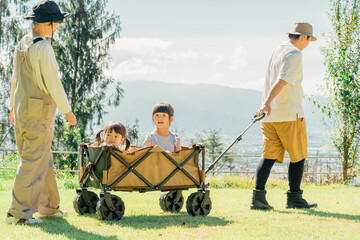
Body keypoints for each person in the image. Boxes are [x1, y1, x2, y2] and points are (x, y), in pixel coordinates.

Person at [6, 0, 77, 224]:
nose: (58, 27)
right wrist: (67, 111)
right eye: (57, 23)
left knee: (42, 160)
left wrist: (12, 107)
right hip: (39, 112)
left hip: (23, 110)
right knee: (32, 161)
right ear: (48, 23)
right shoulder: (43, 46)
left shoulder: (23, 43)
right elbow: (53, 83)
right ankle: (18, 214)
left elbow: (15, 80)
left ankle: (47, 207)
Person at [251, 22, 318, 210]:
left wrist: (266, 104)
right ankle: (294, 197)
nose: (308, 44)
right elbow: (283, 79)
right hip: (288, 113)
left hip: (270, 117)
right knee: (298, 155)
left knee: (269, 156)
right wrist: (266, 103)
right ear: (303, 37)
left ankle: (258, 198)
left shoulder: (277, 51)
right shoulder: (295, 54)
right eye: (309, 40)